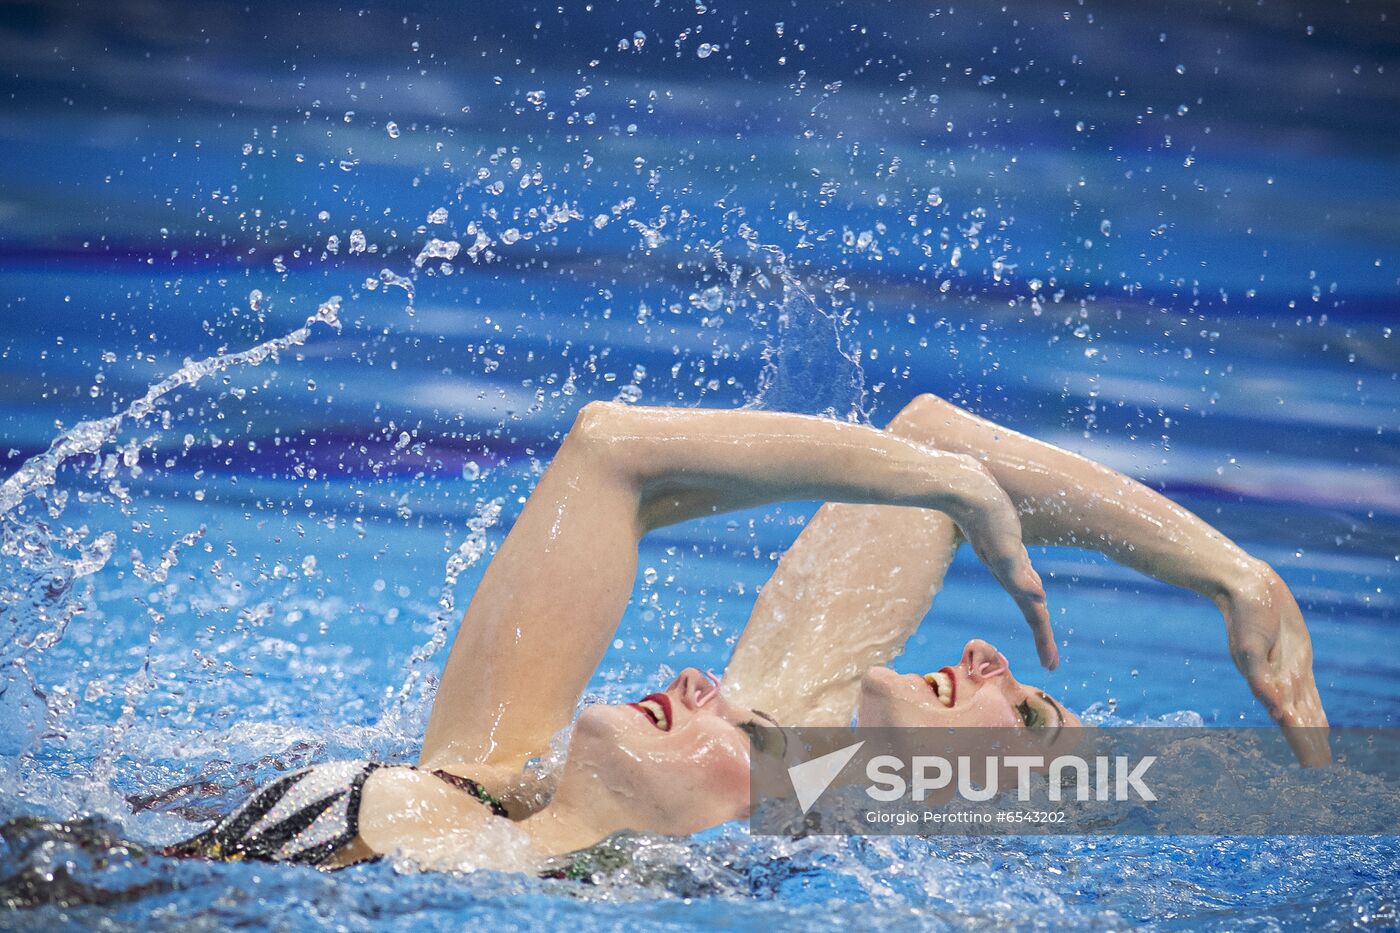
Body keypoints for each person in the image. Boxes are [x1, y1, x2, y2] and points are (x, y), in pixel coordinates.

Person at [160, 395, 1326, 873]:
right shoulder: (475, 780)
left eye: (1017, 710)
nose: (985, 658)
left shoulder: (774, 798)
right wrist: (1229, 571)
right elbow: (615, 450)